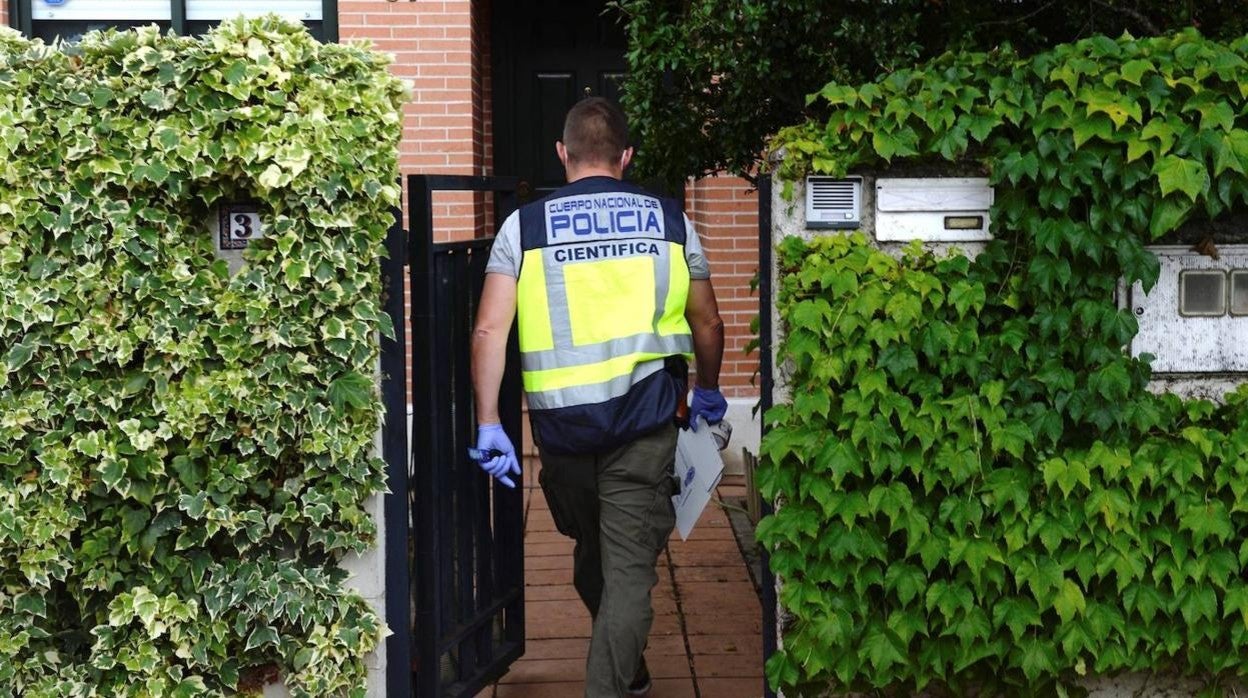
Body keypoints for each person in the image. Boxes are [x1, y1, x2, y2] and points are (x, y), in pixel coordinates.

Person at [469, 97, 726, 697]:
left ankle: (613, 684)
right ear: (626, 156)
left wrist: (489, 422)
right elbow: (708, 322)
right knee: (607, 566)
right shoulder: (669, 220)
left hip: (564, 431)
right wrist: (709, 389)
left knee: (621, 570)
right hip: (644, 421)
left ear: (563, 153)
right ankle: (628, 659)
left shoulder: (523, 227)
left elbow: (488, 330)